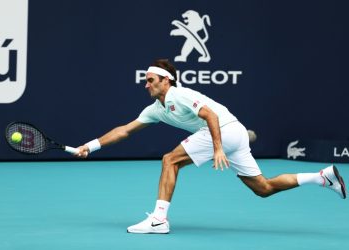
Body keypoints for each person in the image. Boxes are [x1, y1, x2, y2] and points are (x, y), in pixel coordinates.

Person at [76, 59, 346, 234]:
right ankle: (322, 177)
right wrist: (90, 146)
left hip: (224, 131)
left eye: (150, 80)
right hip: (236, 134)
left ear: (165, 80)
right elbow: (124, 130)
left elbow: (211, 116)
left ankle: (159, 219)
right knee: (263, 188)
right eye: (145, 80)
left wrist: (217, 147)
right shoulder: (155, 109)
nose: (145, 84)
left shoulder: (180, 94)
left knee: (170, 159)